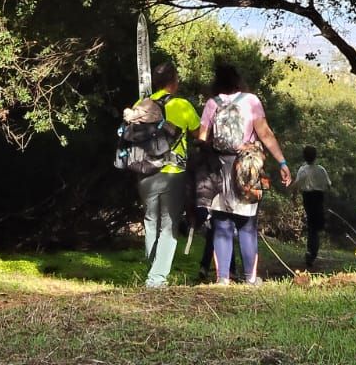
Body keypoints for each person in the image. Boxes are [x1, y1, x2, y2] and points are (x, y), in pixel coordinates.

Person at [195, 61, 291, 285]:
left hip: (219, 169)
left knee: (221, 224)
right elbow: (265, 134)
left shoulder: (212, 103)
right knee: (247, 225)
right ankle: (250, 278)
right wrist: (282, 162)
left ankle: (222, 279)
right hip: (247, 168)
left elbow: (201, 139)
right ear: (238, 80)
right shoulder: (251, 101)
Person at [137, 60, 199, 288]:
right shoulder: (182, 105)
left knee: (150, 221)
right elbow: (199, 133)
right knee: (169, 225)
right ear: (173, 82)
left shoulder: (141, 103)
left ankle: (153, 270)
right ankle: (156, 278)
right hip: (173, 171)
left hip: (144, 171)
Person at [294, 145, 331, 269]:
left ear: (304, 156)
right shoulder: (321, 170)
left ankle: (311, 252)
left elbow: (297, 185)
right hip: (318, 197)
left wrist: (294, 196)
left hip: (308, 198)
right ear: (315, 156)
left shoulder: (302, 170)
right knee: (314, 226)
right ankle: (312, 252)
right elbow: (328, 185)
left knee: (312, 225)